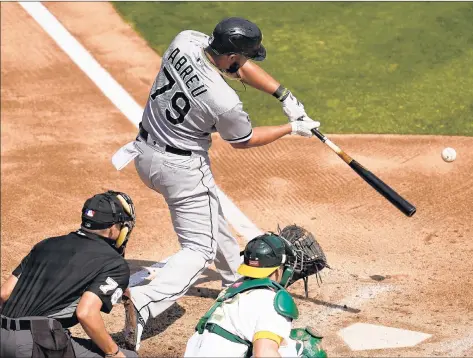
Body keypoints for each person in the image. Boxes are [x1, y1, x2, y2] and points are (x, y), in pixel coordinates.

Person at [111, 17, 320, 352]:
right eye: (245, 57)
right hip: (180, 170)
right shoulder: (223, 100)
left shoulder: (186, 41)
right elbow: (244, 140)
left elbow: (236, 68)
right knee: (198, 250)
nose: (245, 63)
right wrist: (291, 129)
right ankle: (144, 301)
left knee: (212, 215)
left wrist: (283, 94)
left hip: (145, 153)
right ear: (233, 57)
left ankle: (230, 280)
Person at [0, 191, 138, 358]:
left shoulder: (45, 244)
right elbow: (86, 313)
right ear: (112, 228)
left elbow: (4, 293)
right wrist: (114, 352)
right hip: (34, 344)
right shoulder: (115, 263)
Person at [183, 228, 328, 358]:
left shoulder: (233, 291)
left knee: (282, 342)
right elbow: (264, 354)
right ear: (279, 271)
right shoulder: (272, 301)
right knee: (302, 350)